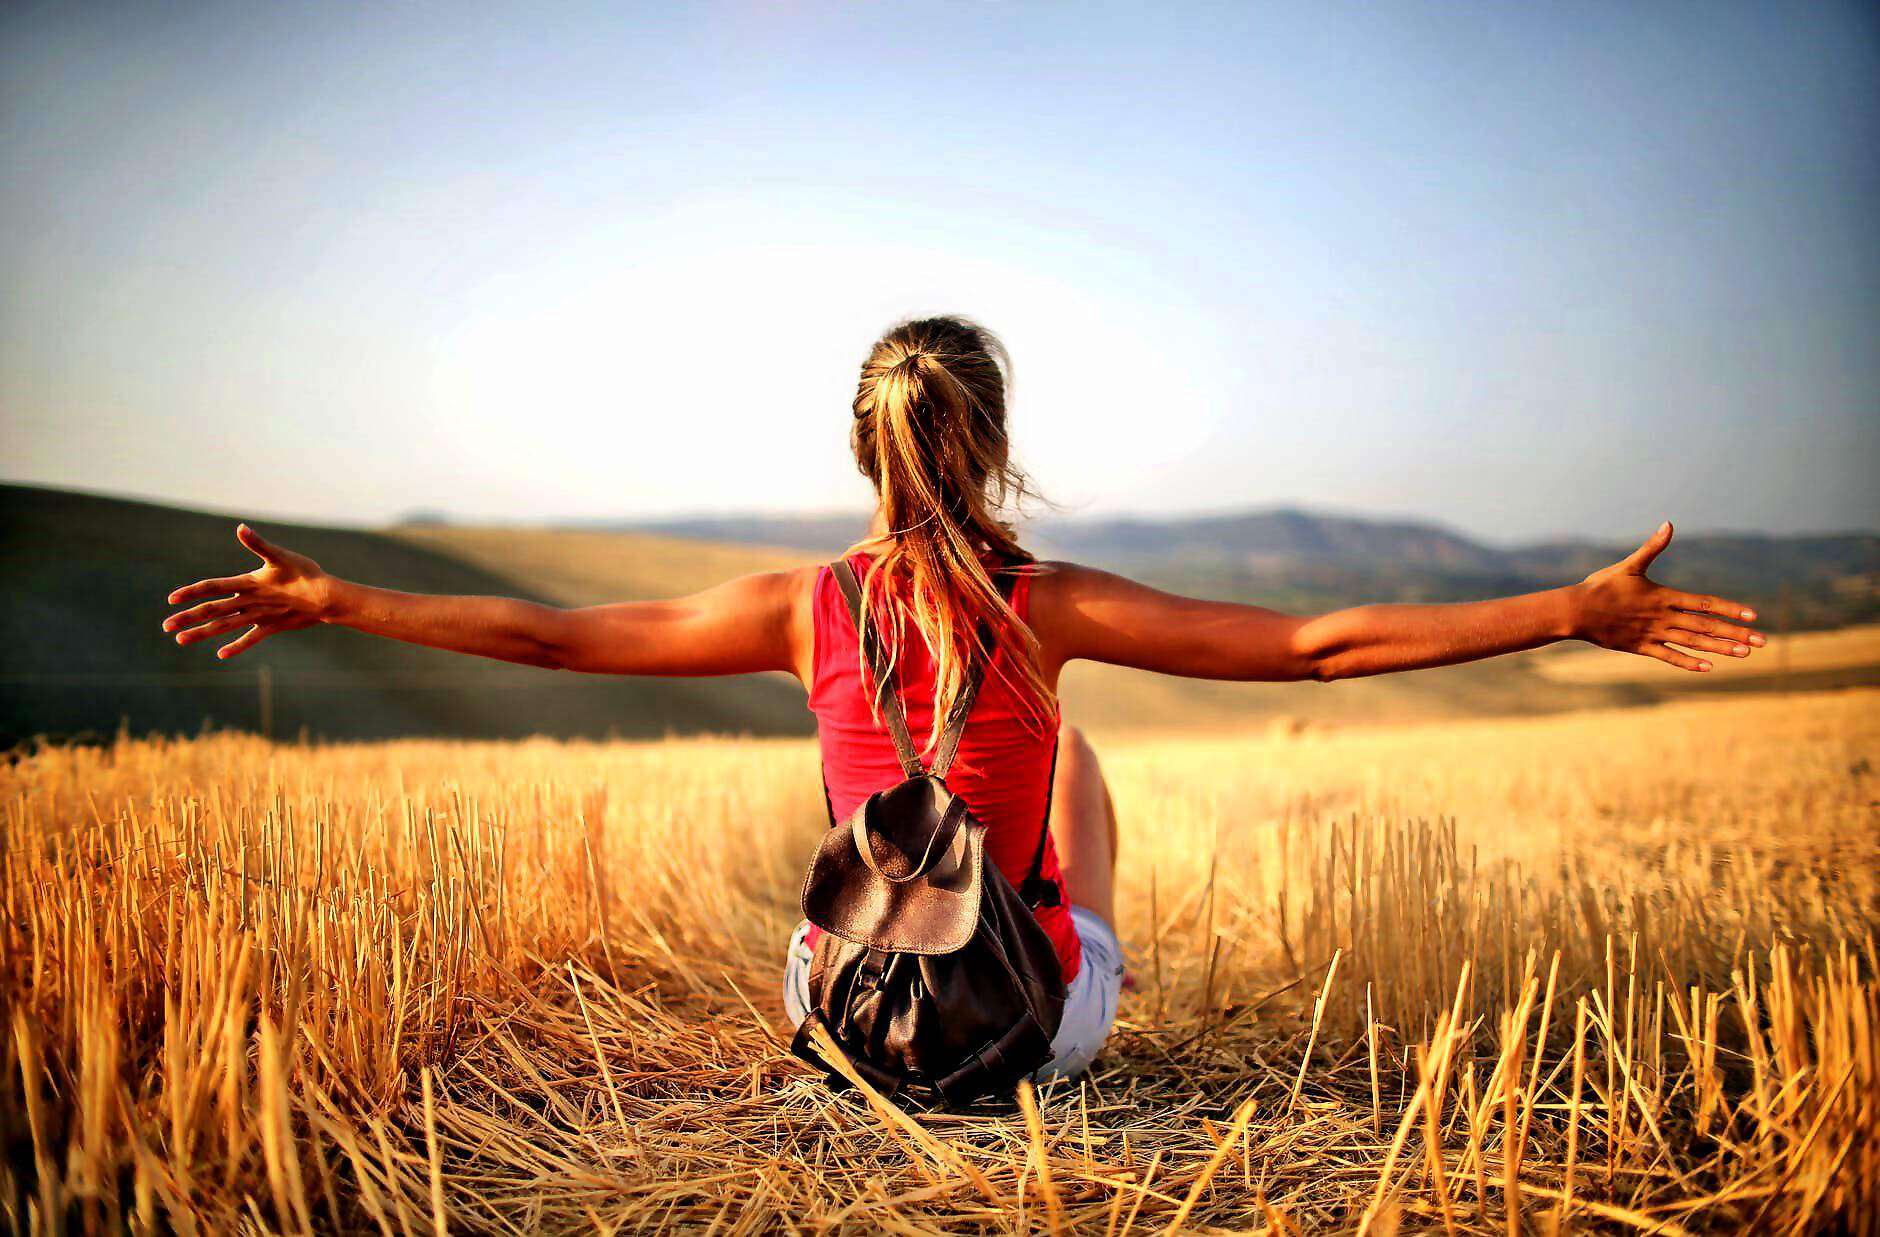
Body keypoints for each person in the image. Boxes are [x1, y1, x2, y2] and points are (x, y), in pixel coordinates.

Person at [160, 315, 1764, 1082]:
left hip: (838, 1024)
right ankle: (1073, 928)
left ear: (862, 457)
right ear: (992, 445)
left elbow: (558, 641)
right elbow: (1314, 649)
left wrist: (338, 596)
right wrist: (1574, 607)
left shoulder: (805, 609)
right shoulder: (1049, 607)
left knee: (884, 856)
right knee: (1080, 783)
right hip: (1017, 1043)